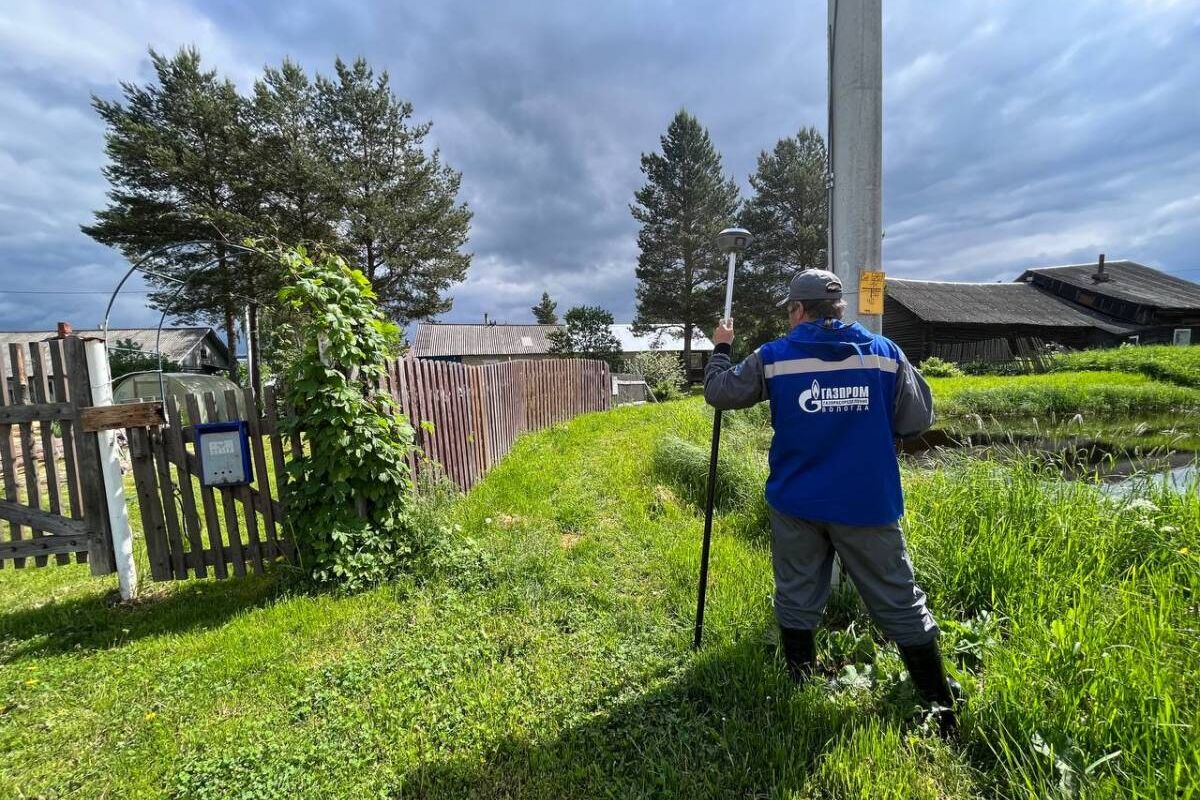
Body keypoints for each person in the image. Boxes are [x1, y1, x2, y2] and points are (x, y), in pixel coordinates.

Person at [703, 268, 957, 734]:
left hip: (796, 501)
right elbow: (916, 419)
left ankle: (801, 681)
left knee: (797, 593)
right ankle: (940, 709)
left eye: (790, 311)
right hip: (867, 503)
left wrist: (721, 348)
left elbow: (719, 393)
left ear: (798, 310)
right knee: (900, 601)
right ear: (839, 308)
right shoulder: (885, 353)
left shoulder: (773, 357)